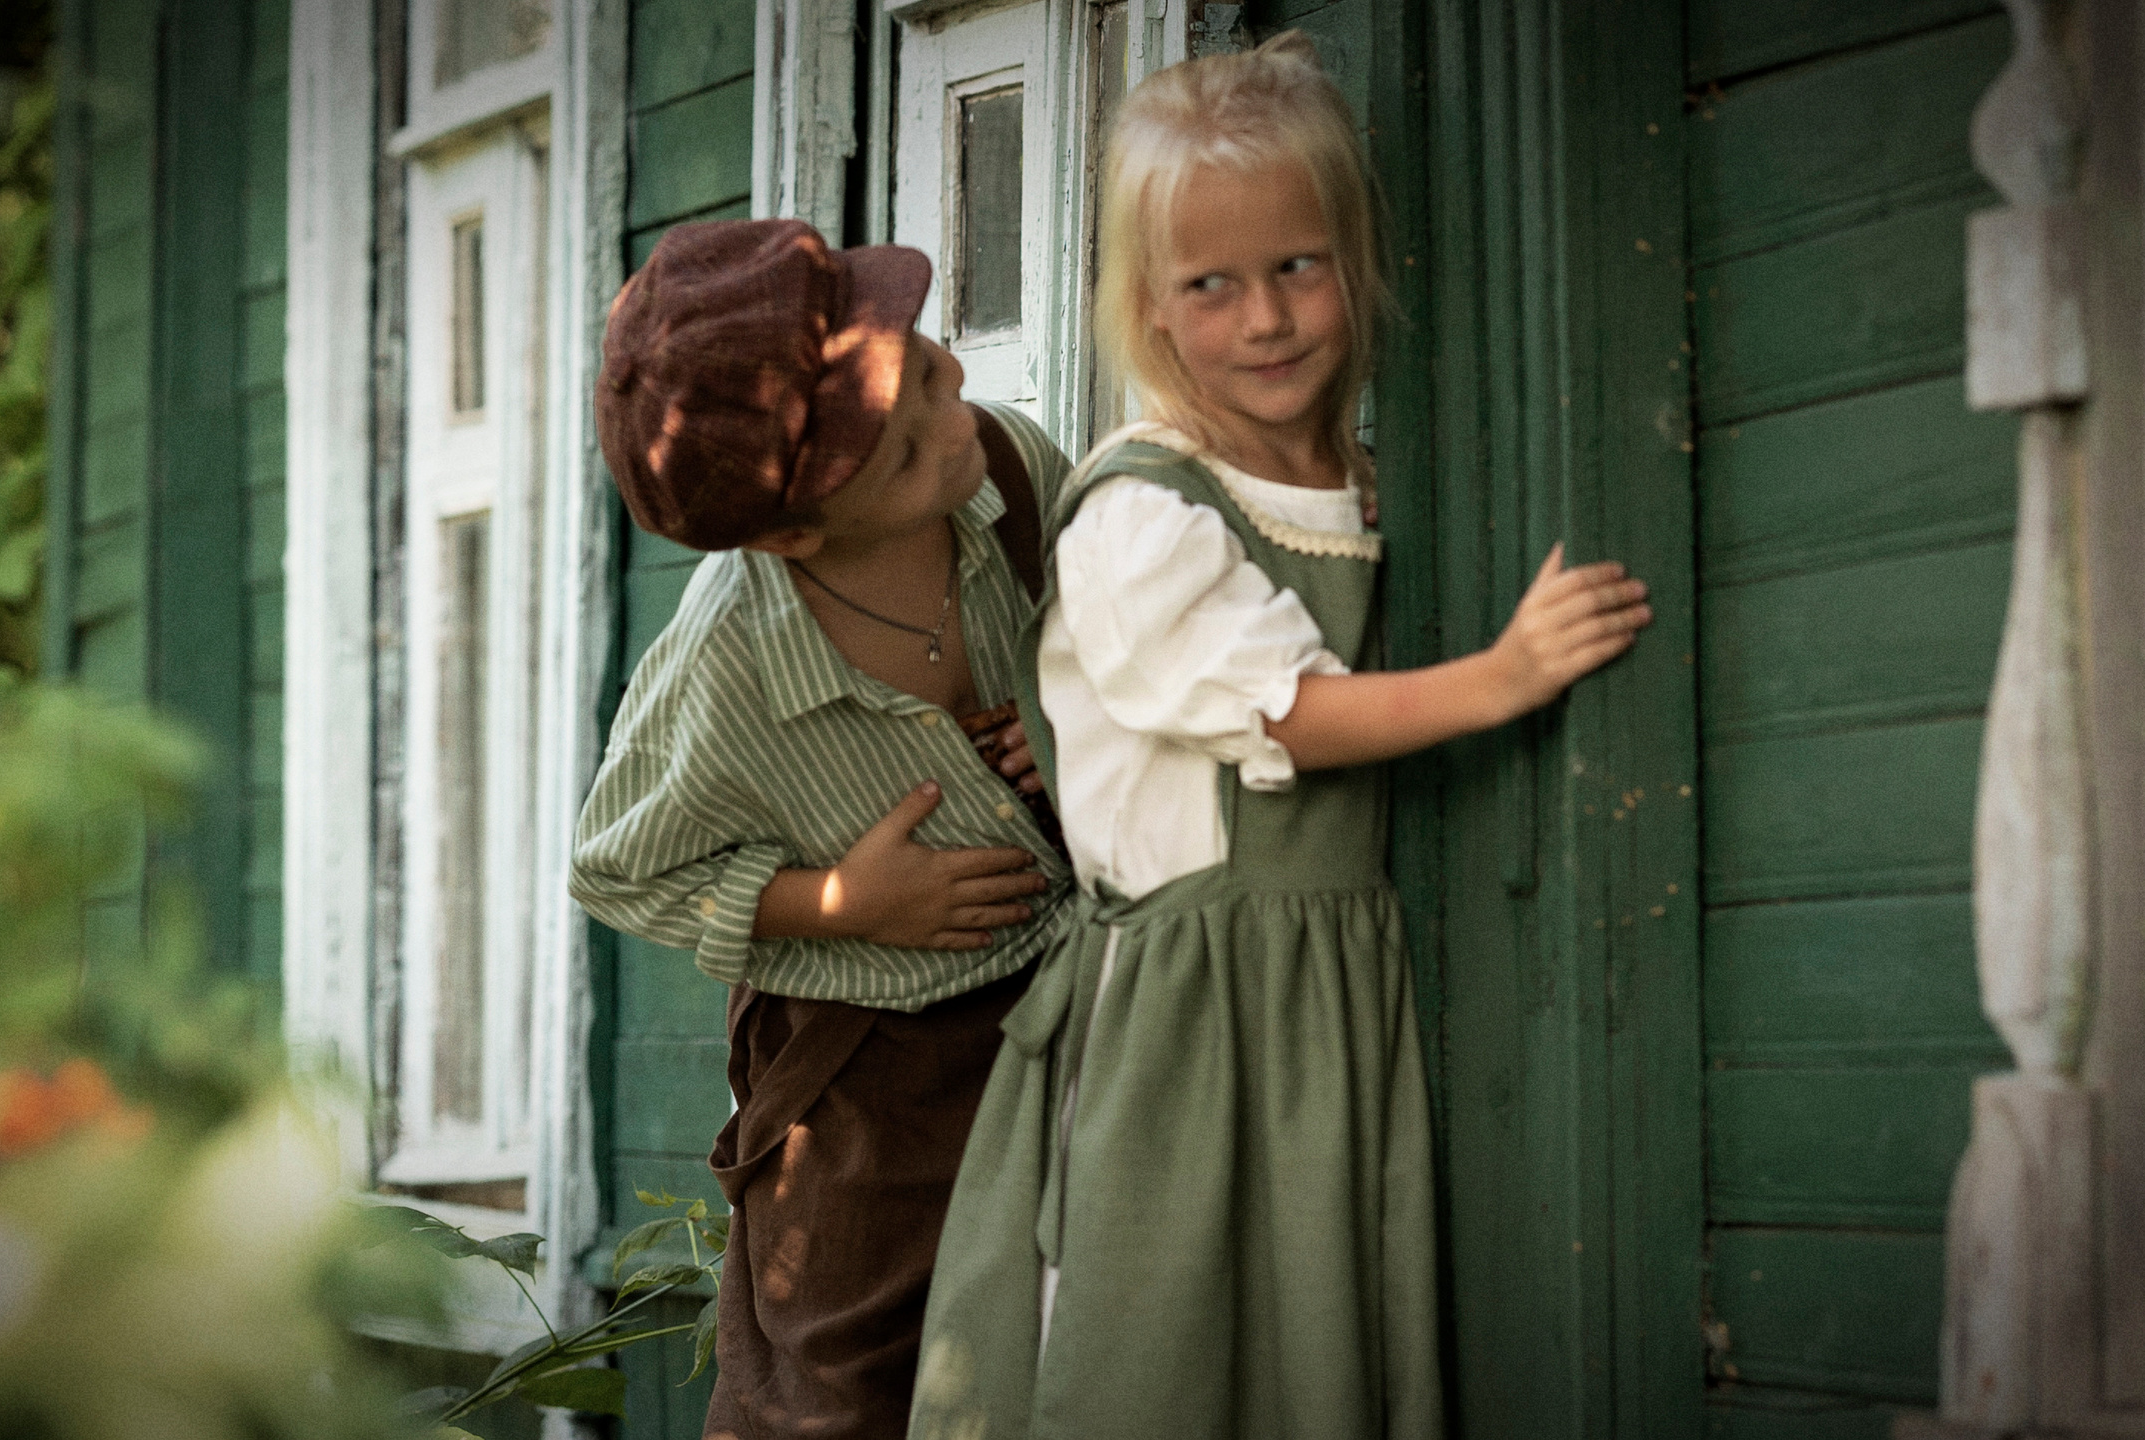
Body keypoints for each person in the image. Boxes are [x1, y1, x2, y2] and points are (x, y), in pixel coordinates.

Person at [908, 34, 1654, 1440]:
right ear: (1149, 307)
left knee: (1313, 1349)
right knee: (1163, 1352)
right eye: (1212, 285)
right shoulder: (1148, 518)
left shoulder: (1362, 475)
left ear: (1354, 261)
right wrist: (1502, 676)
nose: (1266, 318)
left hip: (1319, 978)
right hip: (1187, 1009)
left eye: (1298, 267)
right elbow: (1297, 716)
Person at [570, 218, 1076, 1440]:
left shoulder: (1011, 480)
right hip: (872, 1066)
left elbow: (1123, 639)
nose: (958, 424)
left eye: (937, 373)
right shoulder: (732, 656)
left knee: (1067, 1352)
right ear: (794, 534)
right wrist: (844, 903)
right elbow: (618, 871)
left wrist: (1070, 724)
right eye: (906, 454)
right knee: (841, 1390)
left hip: (1084, 996)